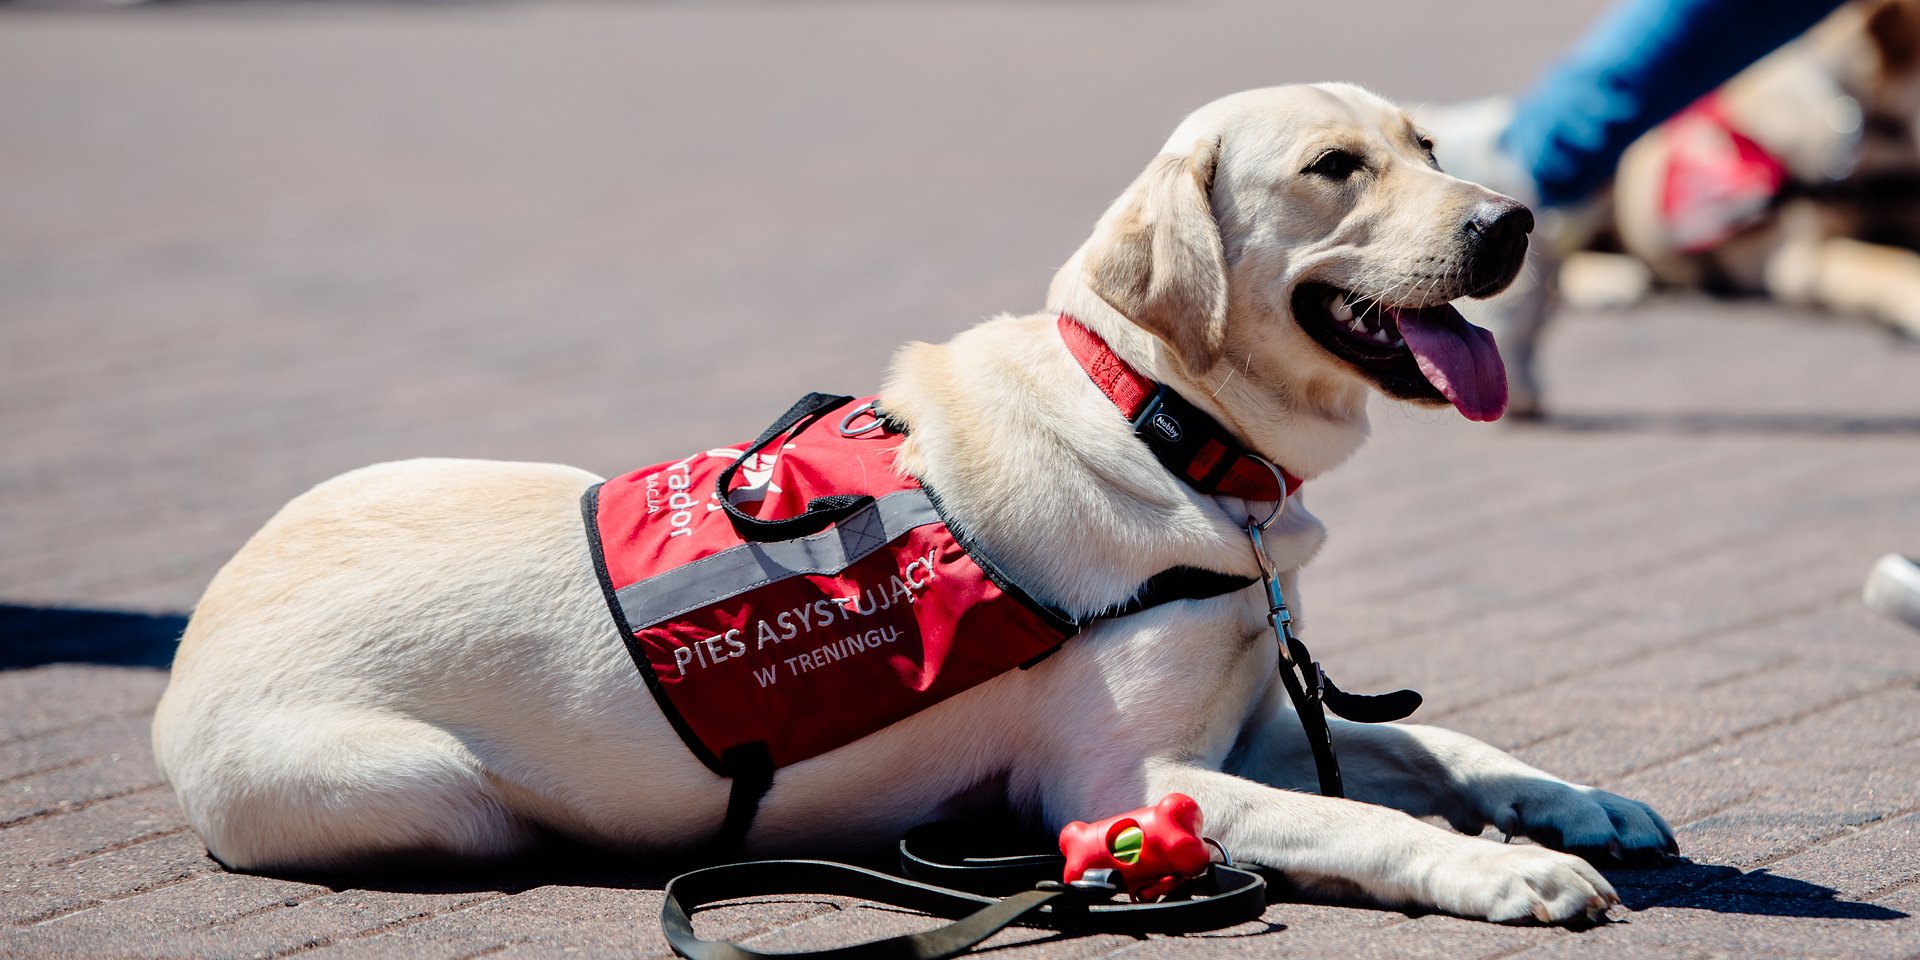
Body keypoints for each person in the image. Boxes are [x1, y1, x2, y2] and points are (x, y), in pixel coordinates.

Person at [1421, 0, 1920, 633]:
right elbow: (1803, 263)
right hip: (1645, 205)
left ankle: (1531, 153)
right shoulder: (1817, 108)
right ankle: (1529, 160)